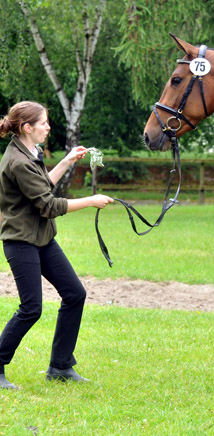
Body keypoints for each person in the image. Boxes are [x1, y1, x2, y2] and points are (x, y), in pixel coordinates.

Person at [0, 101, 113, 390]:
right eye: (44, 123)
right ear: (27, 127)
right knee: (31, 308)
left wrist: (66, 162)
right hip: (21, 242)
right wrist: (90, 201)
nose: (48, 127)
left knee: (74, 294)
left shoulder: (29, 152)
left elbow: (42, 187)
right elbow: (48, 205)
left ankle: (60, 366)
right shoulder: (18, 161)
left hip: (42, 239)